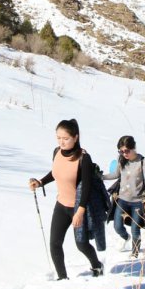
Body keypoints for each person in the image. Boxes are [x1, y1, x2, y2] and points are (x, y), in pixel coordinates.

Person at [29, 119, 104, 280]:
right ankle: (62, 278)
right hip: (61, 204)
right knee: (55, 243)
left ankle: (97, 265)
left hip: (78, 208)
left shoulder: (84, 158)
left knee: (81, 244)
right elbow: (56, 172)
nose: (61, 142)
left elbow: (87, 187)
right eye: (58, 138)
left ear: (75, 137)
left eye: (65, 138)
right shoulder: (56, 152)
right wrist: (40, 182)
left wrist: (80, 211)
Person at [103, 136, 145, 258]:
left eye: (126, 151)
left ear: (133, 148)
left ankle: (135, 253)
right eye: (121, 151)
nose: (124, 154)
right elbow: (116, 174)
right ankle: (126, 237)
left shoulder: (143, 161)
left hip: (138, 201)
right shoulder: (121, 159)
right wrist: (101, 177)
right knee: (117, 226)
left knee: (135, 228)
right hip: (122, 200)